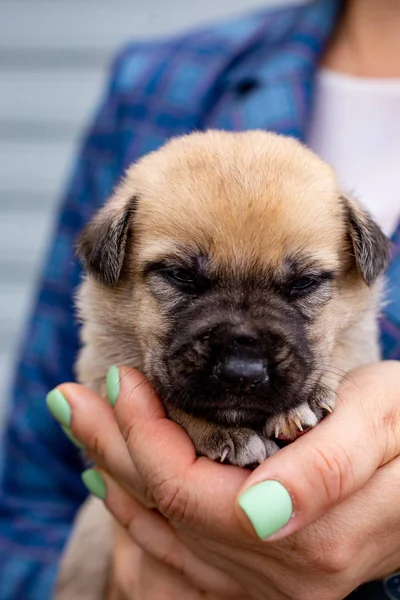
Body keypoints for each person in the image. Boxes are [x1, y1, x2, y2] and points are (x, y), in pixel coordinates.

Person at [0, 0, 400, 598]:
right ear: (114, 257)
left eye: (300, 287)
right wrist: (126, 574)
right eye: (183, 282)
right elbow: (28, 504)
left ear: (362, 267)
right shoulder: (159, 78)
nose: (242, 360)